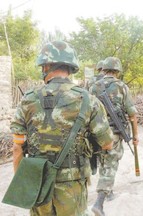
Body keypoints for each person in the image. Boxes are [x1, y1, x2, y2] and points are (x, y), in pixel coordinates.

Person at [10, 41, 114, 215]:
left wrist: (24, 180)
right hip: (72, 183)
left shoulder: (27, 100)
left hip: (38, 179)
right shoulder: (88, 100)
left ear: (47, 66)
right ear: (70, 67)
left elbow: (16, 147)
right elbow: (107, 144)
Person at [89, 57, 139, 216]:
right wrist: (135, 134)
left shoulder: (93, 87)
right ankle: (99, 202)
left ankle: (109, 192)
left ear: (103, 70)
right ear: (117, 71)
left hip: (96, 132)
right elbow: (132, 114)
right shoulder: (122, 87)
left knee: (104, 158)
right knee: (111, 163)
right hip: (114, 133)